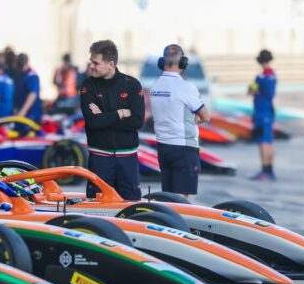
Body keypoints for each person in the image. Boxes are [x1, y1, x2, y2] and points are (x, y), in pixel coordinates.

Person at [80, 40, 144, 201]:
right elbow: (93, 122)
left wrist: (104, 117)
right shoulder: (88, 85)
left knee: (131, 206)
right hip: (99, 158)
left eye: (96, 63)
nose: (91, 66)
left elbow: (137, 122)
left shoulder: (132, 85)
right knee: (97, 208)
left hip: (128, 159)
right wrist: (121, 113)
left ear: (111, 64)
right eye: (91, 62)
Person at [150, 44, 210, 198]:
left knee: (168, 198)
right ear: (183, 62)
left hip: (163, 146)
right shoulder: (187, 87)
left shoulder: (155, 86)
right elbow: (205, 117)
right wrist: (194, 118)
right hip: (184, 148)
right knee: (181, 200)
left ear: (162, 62)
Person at [248, 49, 277, 180]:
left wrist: (255, 90)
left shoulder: (261, 77)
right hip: (269, 111)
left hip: (261, 112)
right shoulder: (273, 75)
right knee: (269, 141)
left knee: (262, 142)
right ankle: (269, 169)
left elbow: (251, 91)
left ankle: (265, 169)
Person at [15, 54, 42, 122]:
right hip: (21, 113)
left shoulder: (32, 76)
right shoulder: (21, 75)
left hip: (31, 114)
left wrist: (23, 110)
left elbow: (33, 94)